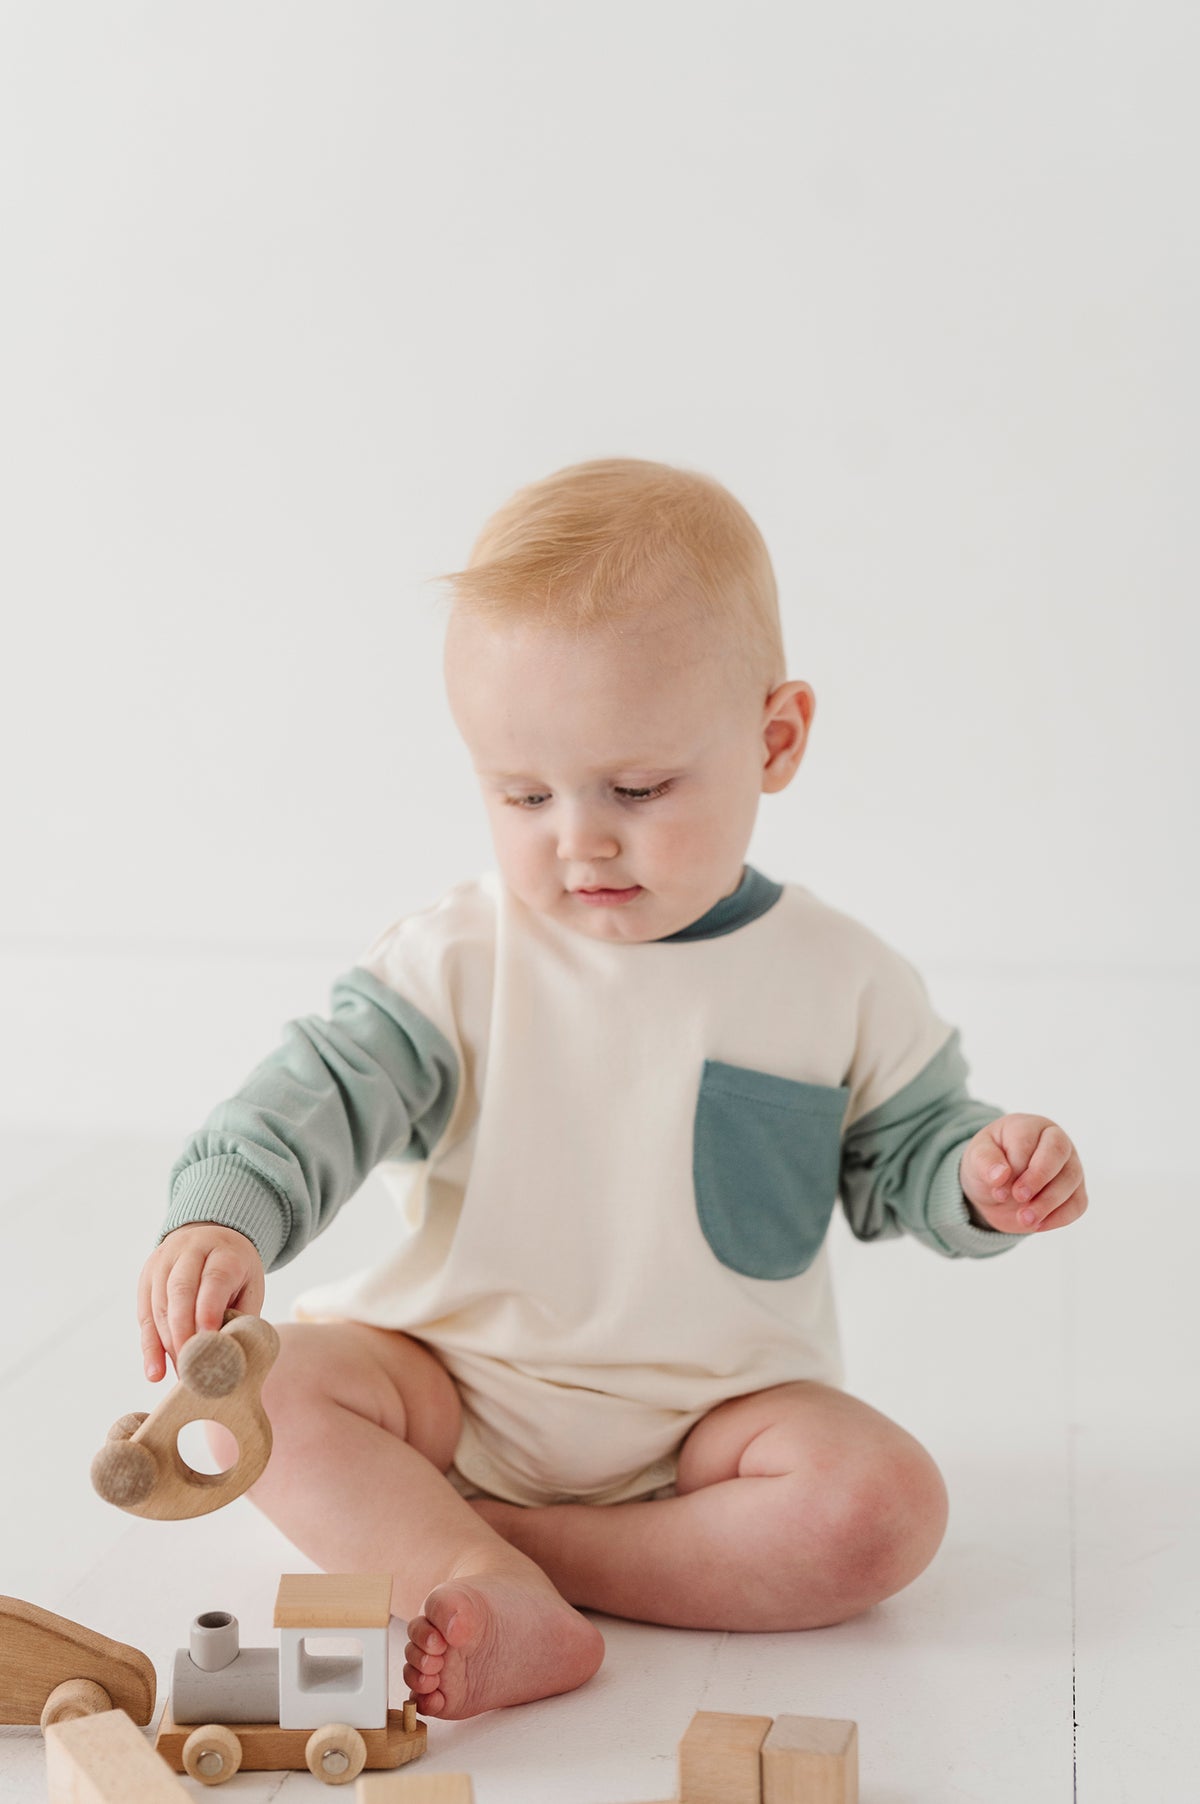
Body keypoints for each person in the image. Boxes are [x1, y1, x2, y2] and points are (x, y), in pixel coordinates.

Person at [136, 457, 1088, 1721]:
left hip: (716, 1433)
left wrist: (978, 1173)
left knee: (883, 1510)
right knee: (251, 1389)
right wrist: (226, 1208)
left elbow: (907, 1155)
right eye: (523, 793)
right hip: (453, 1384)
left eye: (637, 790)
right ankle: (481, 1575)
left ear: (776, 738)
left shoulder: (839, 978)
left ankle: (503, 1550)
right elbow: (317, 1091)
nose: (578, 838)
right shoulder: (460, 960)